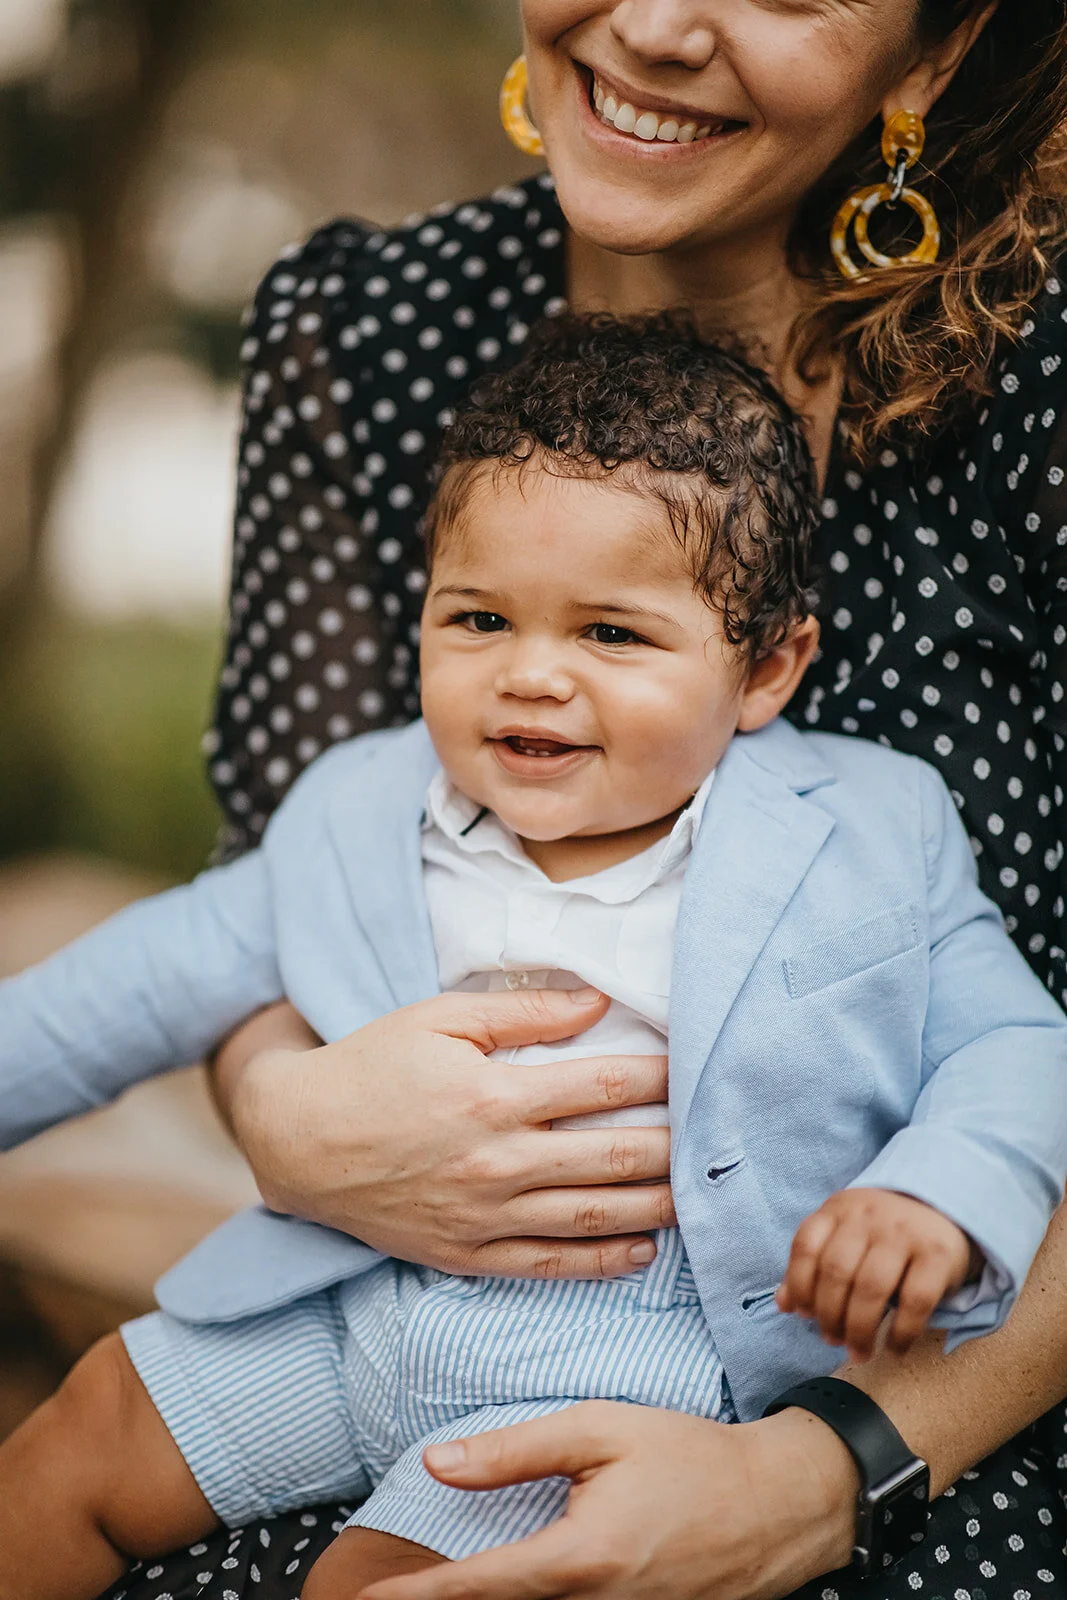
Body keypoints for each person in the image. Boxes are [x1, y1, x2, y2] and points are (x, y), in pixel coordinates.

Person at [106, 3, 1067, 1597]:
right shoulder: (366, 321)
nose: (658, 23)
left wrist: (824, 1466)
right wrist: (279, 1115)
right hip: (410, 1317)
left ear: (931, 51)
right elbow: (277, 892)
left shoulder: (1037, 382)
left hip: (970, 1373)